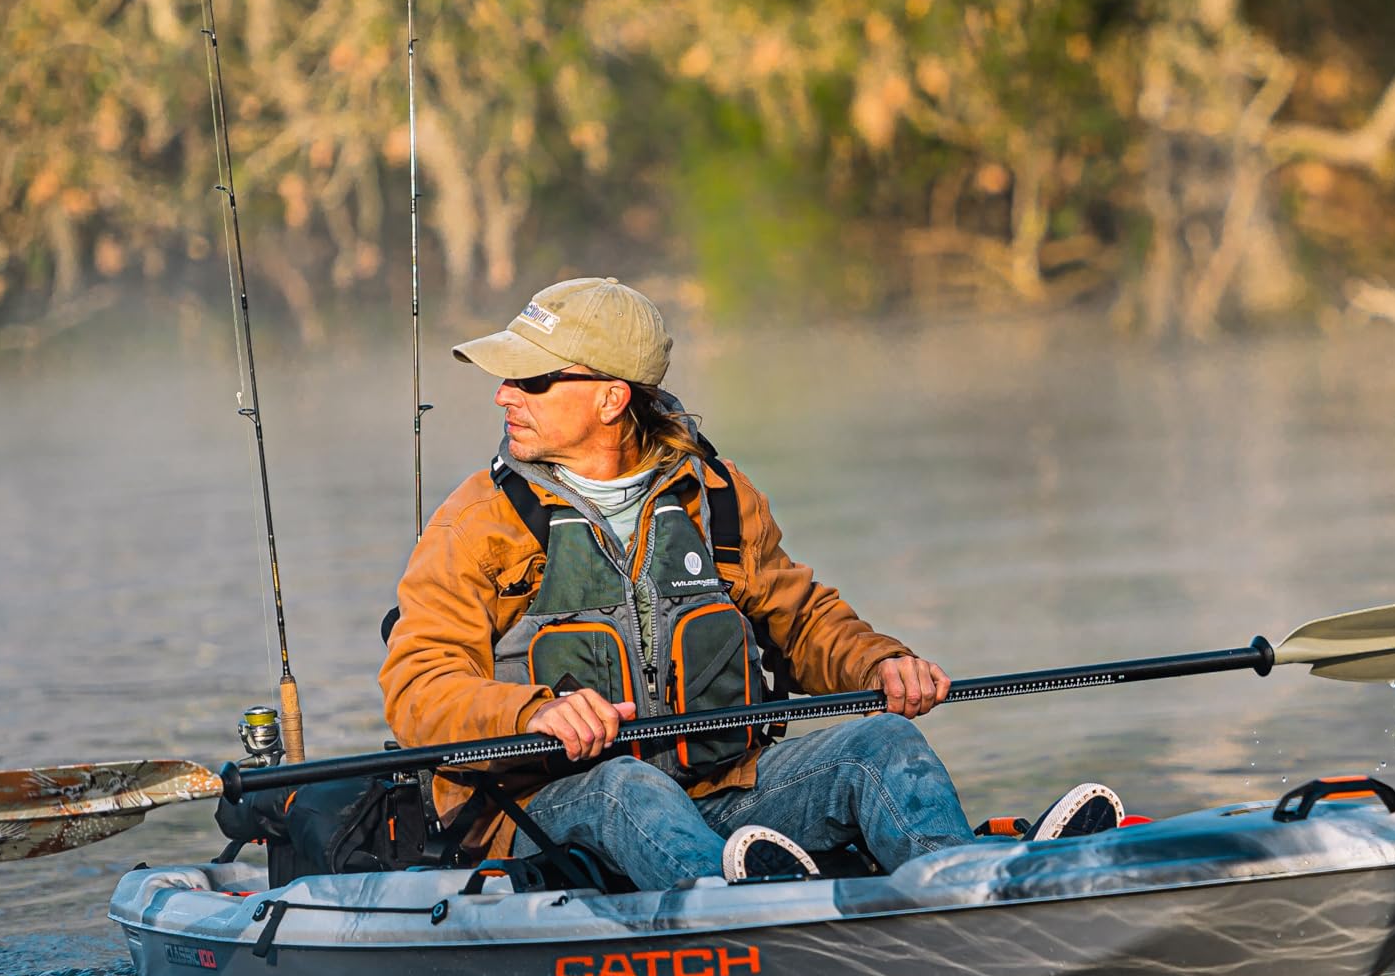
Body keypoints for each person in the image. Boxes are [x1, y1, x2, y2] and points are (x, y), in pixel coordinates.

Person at [382, 277, 1120, 887]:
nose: (504, 394)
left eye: (531, 379)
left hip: (728, 792)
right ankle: (756, 916)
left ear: (611, 398)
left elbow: (801, 619)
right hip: (554, 814)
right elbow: (417, 689)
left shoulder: (719, 496)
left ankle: (972, 889)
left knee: (882, 741)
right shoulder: (476, 521)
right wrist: (532, 712)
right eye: (508, 377)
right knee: (629, 787)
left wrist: (879, 661)